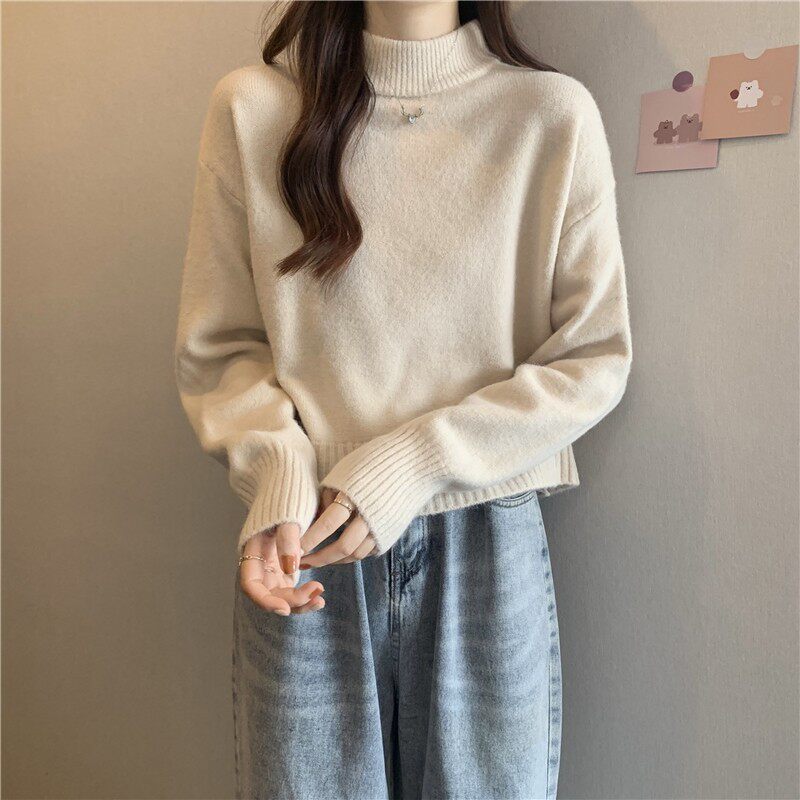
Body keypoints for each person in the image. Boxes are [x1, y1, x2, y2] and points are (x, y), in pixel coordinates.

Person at [173, 1, 633, 797]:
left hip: (485, 531)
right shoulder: (254, 110)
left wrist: (416, 461)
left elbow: (592, 356)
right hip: (304, 539)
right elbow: (222, 347)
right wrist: (276, 477)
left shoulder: (548, 115)